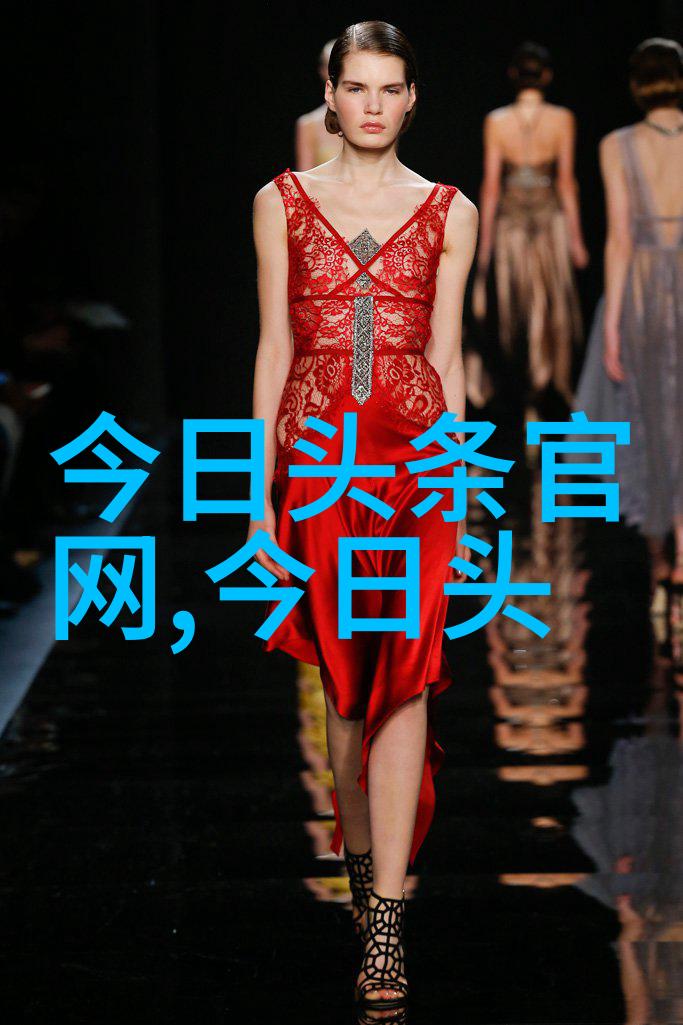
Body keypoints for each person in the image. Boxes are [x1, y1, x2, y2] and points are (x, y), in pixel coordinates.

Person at [249, 20, 477, 1009]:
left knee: (408, 680)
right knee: (344, 696)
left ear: (411, 98)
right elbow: (272, 348)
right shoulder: (281, 201)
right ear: (330, 95)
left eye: (390, 88)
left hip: (418, 469)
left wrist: (462, 494)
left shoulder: (450, 209)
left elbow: (448, 358)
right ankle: (360, 870)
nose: (373, 105)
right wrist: (257, 500)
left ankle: (385, 922)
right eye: (357, 87)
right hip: (319, 469)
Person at [572, 38, 683, 592]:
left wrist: (612, 322)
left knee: (650, 415)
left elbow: (618, 238)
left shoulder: (618, 145)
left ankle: (660, 550)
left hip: (640, 288)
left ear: (638, 85)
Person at [474, 41, 587, 413]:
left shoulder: (497, 121)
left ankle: (531, 394)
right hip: (549, 223)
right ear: (547, 76)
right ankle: (543, 389)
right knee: (551, 309)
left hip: (510, 226)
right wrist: (577, 241)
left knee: (517, 311)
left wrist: (485, 248)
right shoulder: (561, 119)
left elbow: (491, 186)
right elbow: (566, 183)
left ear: (512, 75)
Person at [294, 38, 343, 170]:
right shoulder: (308, 124)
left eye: (340, 66)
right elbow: (305, 176)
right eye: (331, 66)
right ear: (322, 70)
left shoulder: (372, 117)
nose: (336, 72)